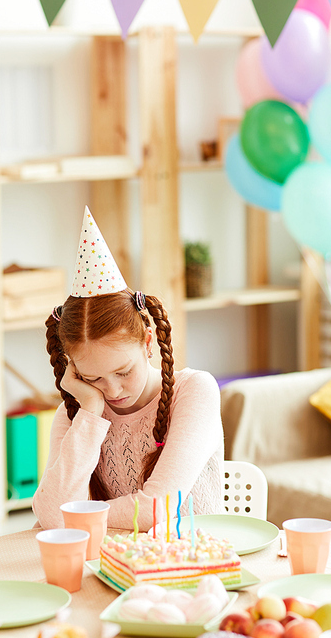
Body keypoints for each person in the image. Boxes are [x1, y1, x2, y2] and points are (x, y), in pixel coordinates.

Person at [32, 207, 224, 531]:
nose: (113, 390)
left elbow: (157, 508)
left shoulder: (194, 392)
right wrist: (90, 413)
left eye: (123, 372)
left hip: (191, 564)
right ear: (74, 371)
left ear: (148, 341)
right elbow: (51, 517)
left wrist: (79, 516)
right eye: (93, 378)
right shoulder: (76, 412)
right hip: (111, 565)